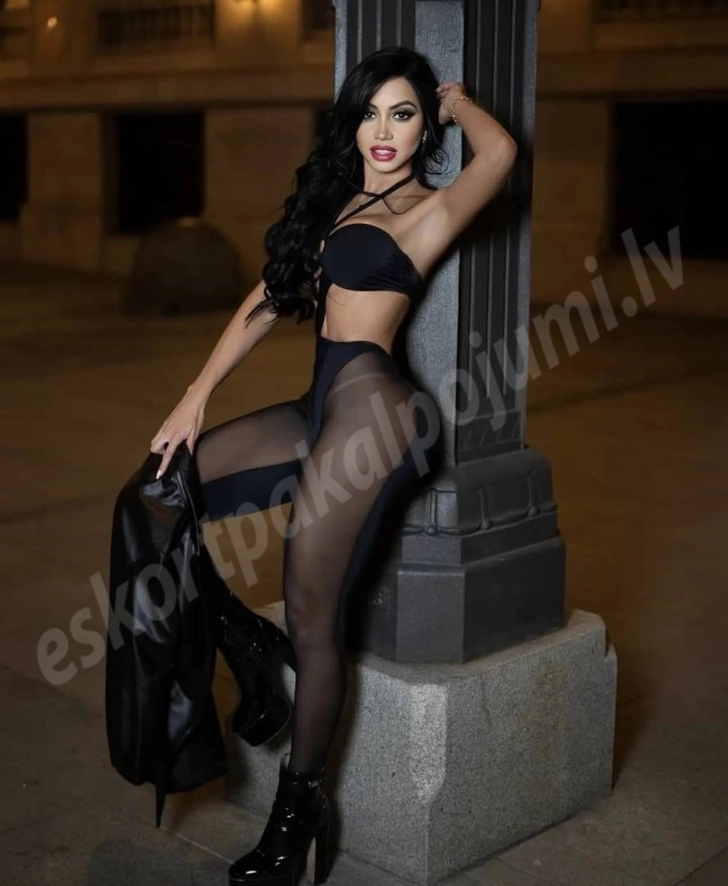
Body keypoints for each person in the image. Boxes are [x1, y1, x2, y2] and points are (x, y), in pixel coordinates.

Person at [150, 44, 517, 886]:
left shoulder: (428, 209)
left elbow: (500, 154)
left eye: (404, 114)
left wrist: (457, 103)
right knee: (165, 491)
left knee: (314, 616)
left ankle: (299, 807)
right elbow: (264, 300)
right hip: (319, 403)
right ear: (351, 122)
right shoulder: (338, 197)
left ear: (423, 129)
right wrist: (196, 393)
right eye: (371, 113)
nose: (384, 131)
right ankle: (245, 641)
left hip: (375, 413)